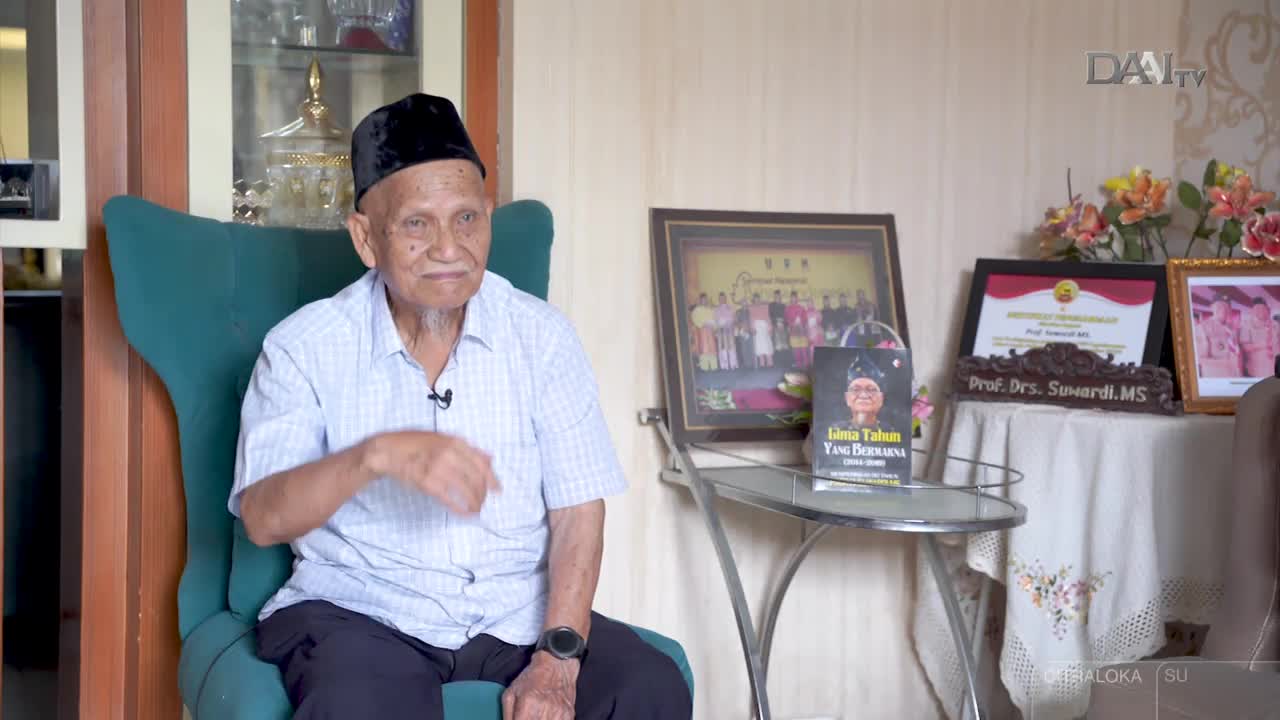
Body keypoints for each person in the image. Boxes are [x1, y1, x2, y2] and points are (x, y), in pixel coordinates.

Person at [231, 93, 691, 720]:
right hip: (362, 610)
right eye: (417, 224)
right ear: (366, 238)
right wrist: (375, 456)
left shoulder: (542, 337)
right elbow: (263, 518)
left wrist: (558, 657)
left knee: (650, 688)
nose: (449, 248)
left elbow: (579, 510)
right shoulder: (303, 348)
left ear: (489, 218)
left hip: (515, 613)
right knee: (359, 708)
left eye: (467, 220)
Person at [831, 352, 892, 432]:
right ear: (847, 398)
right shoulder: (835, 431)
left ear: (881, 398)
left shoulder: (891, 432)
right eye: (856, 389)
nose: (863, 395)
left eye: (871, 389)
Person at [1194, 295, 1242, 378]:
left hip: (1235, 375)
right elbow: (1199, 359)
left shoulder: (1232, 328)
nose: (1223, 309)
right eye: (1219, 306)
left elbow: (1236, 351)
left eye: (1226, 307)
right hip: (1216, 377)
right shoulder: (1202, 328)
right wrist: (1226, 363)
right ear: (1211, 307)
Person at [1239, 297, 1275, 377]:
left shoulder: (1275, 324)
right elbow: (1246, 347)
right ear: (1252, 311)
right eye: (1257, 308)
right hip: (1257, 369)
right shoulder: (1246, 325)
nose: (1260, 311)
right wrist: (1265, 344)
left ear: (1267, 310)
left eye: (1262, 308)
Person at [690, 292, 718, 371]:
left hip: (710, 331)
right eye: (703, 300)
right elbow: (694, 318)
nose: (704, 301)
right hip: (702, 332)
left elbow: (714, 319)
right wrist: (703, 324)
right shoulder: (697, 310)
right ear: (700, 300)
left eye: (705, 300)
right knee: (704, 348)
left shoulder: (710, 310)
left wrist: (713, 325)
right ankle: (704, 366)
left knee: (712, 348)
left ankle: (713, 366)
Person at [748, 292, 774, 368]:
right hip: (757, 329)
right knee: (759, 346)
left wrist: (770, 328)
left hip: (764, 328)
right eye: (755, 299)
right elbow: (751, 319)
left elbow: (768, 318)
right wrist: (752, 328)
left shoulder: (765, 307)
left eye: (758, 299)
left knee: (767, 345)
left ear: (759, 299)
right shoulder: (751, 308)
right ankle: (762, 363)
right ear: (753, 300)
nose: (757, 301)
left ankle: (770, 362)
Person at [714, 291, 738, 370]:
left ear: (726, 298)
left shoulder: (730, 307)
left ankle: (733, 364)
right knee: (722, 347)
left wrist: (730, 323)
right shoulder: (716, 309)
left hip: (729, 329)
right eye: (720, 298)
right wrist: (719, 325)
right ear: (719, 299)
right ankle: (724, 365)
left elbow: (734, 318)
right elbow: (716, 320)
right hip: (721, 330)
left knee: (731, 347)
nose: (722, 299)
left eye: (723, 298)